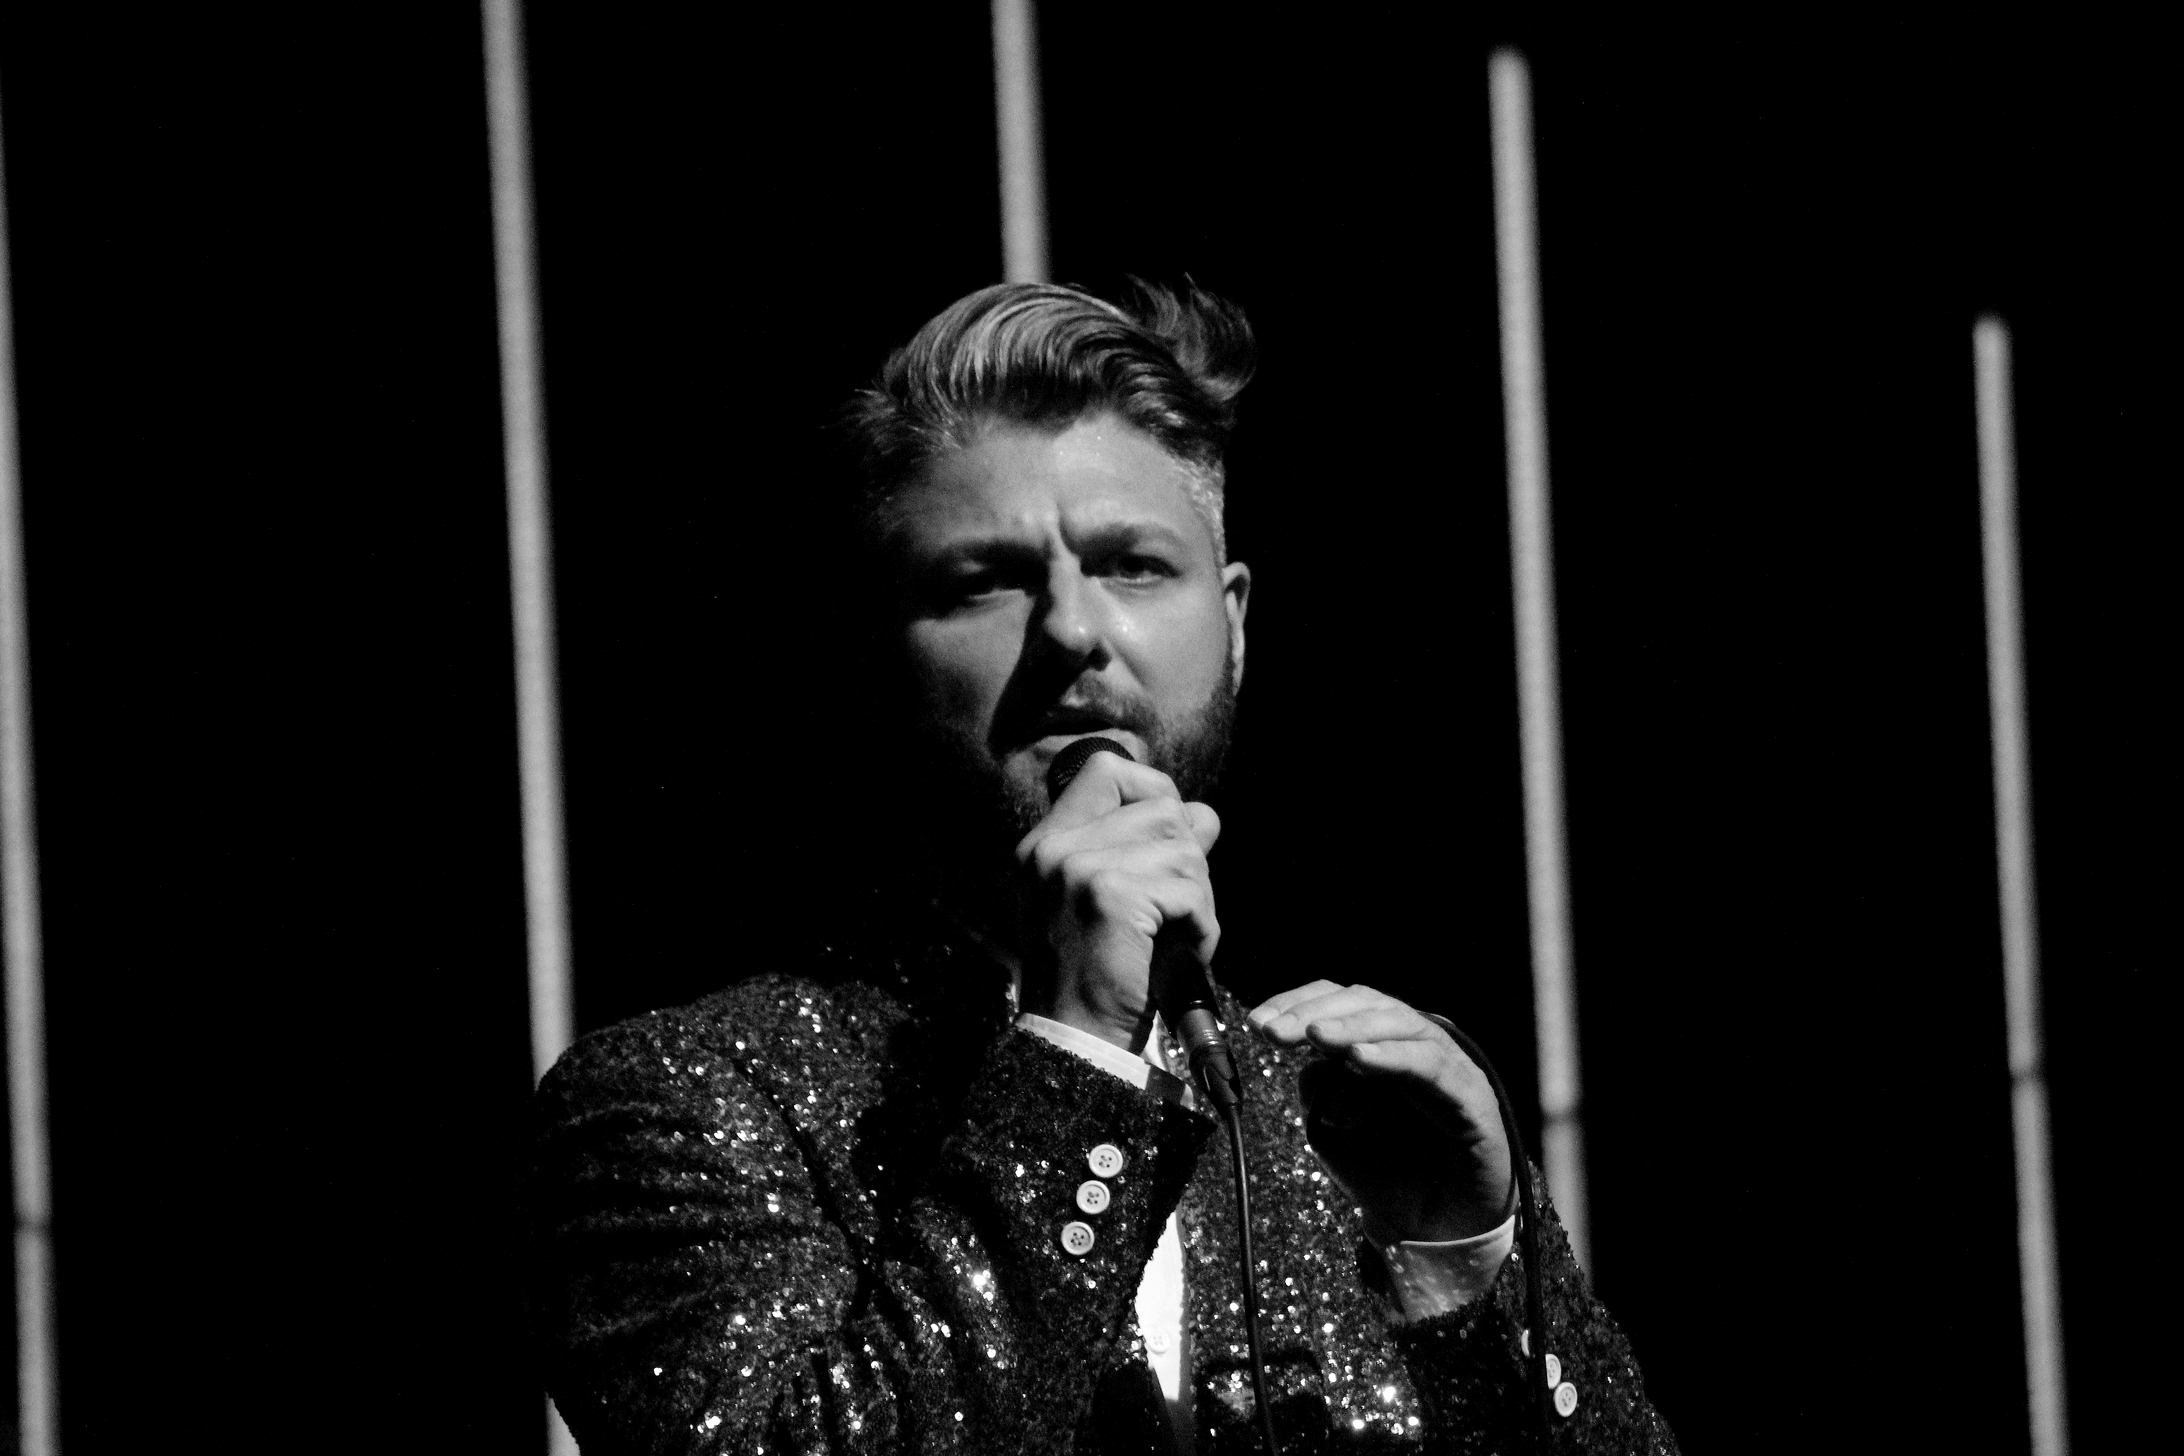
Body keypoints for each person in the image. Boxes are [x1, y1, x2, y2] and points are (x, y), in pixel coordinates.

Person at [524, 281, 1678, 1454]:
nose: (1072, 630)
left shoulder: (1344, 1125)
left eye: (1132, 564)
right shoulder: (680, 1105)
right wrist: (1078, 1049)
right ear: (874, 654)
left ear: (1234, 625)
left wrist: (1469, 1266)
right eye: (985, 580)